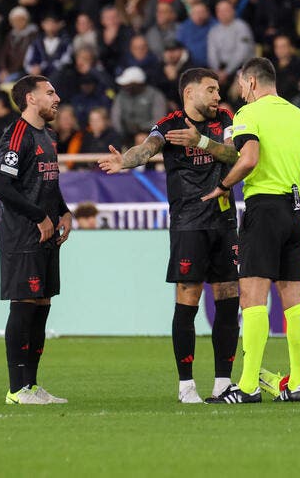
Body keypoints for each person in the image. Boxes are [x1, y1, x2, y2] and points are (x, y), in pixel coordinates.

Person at [99, 68, 242, 404]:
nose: (218, 96)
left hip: (224, 220)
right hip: (188, 223)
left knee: (227, 297)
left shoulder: (226, 117)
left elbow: (236, 155)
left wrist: (202, 141)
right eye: (211, 90)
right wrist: (127, 161)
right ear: (190, 93)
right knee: (188, 299)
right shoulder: (168, 124)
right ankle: (186, 386)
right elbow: (147, 149)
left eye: (218, 90)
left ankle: (223, 383)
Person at [200, 57, 300, 403]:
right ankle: (298, 385)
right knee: (294, 298)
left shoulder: (249, 115)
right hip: (293, 209)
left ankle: (246, 387)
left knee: (253, 297)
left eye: (242, 86)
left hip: (264, 208)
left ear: (252, 83)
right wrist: (295, 186)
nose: (241, 93)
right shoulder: (299, 115)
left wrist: (225, 186)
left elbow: (248, 158)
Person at [0, 75, 73, 405]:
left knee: (41, 306)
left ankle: (32, 385)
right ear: (30, 98)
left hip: (47, 236)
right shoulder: (17, 135)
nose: (57, 97)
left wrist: (64, 211)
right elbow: (1, 186)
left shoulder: (47, 135)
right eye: (50, 92)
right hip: (23, 235)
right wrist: (39, 217)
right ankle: (16, 389)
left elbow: (47, 182)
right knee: (24, 306)